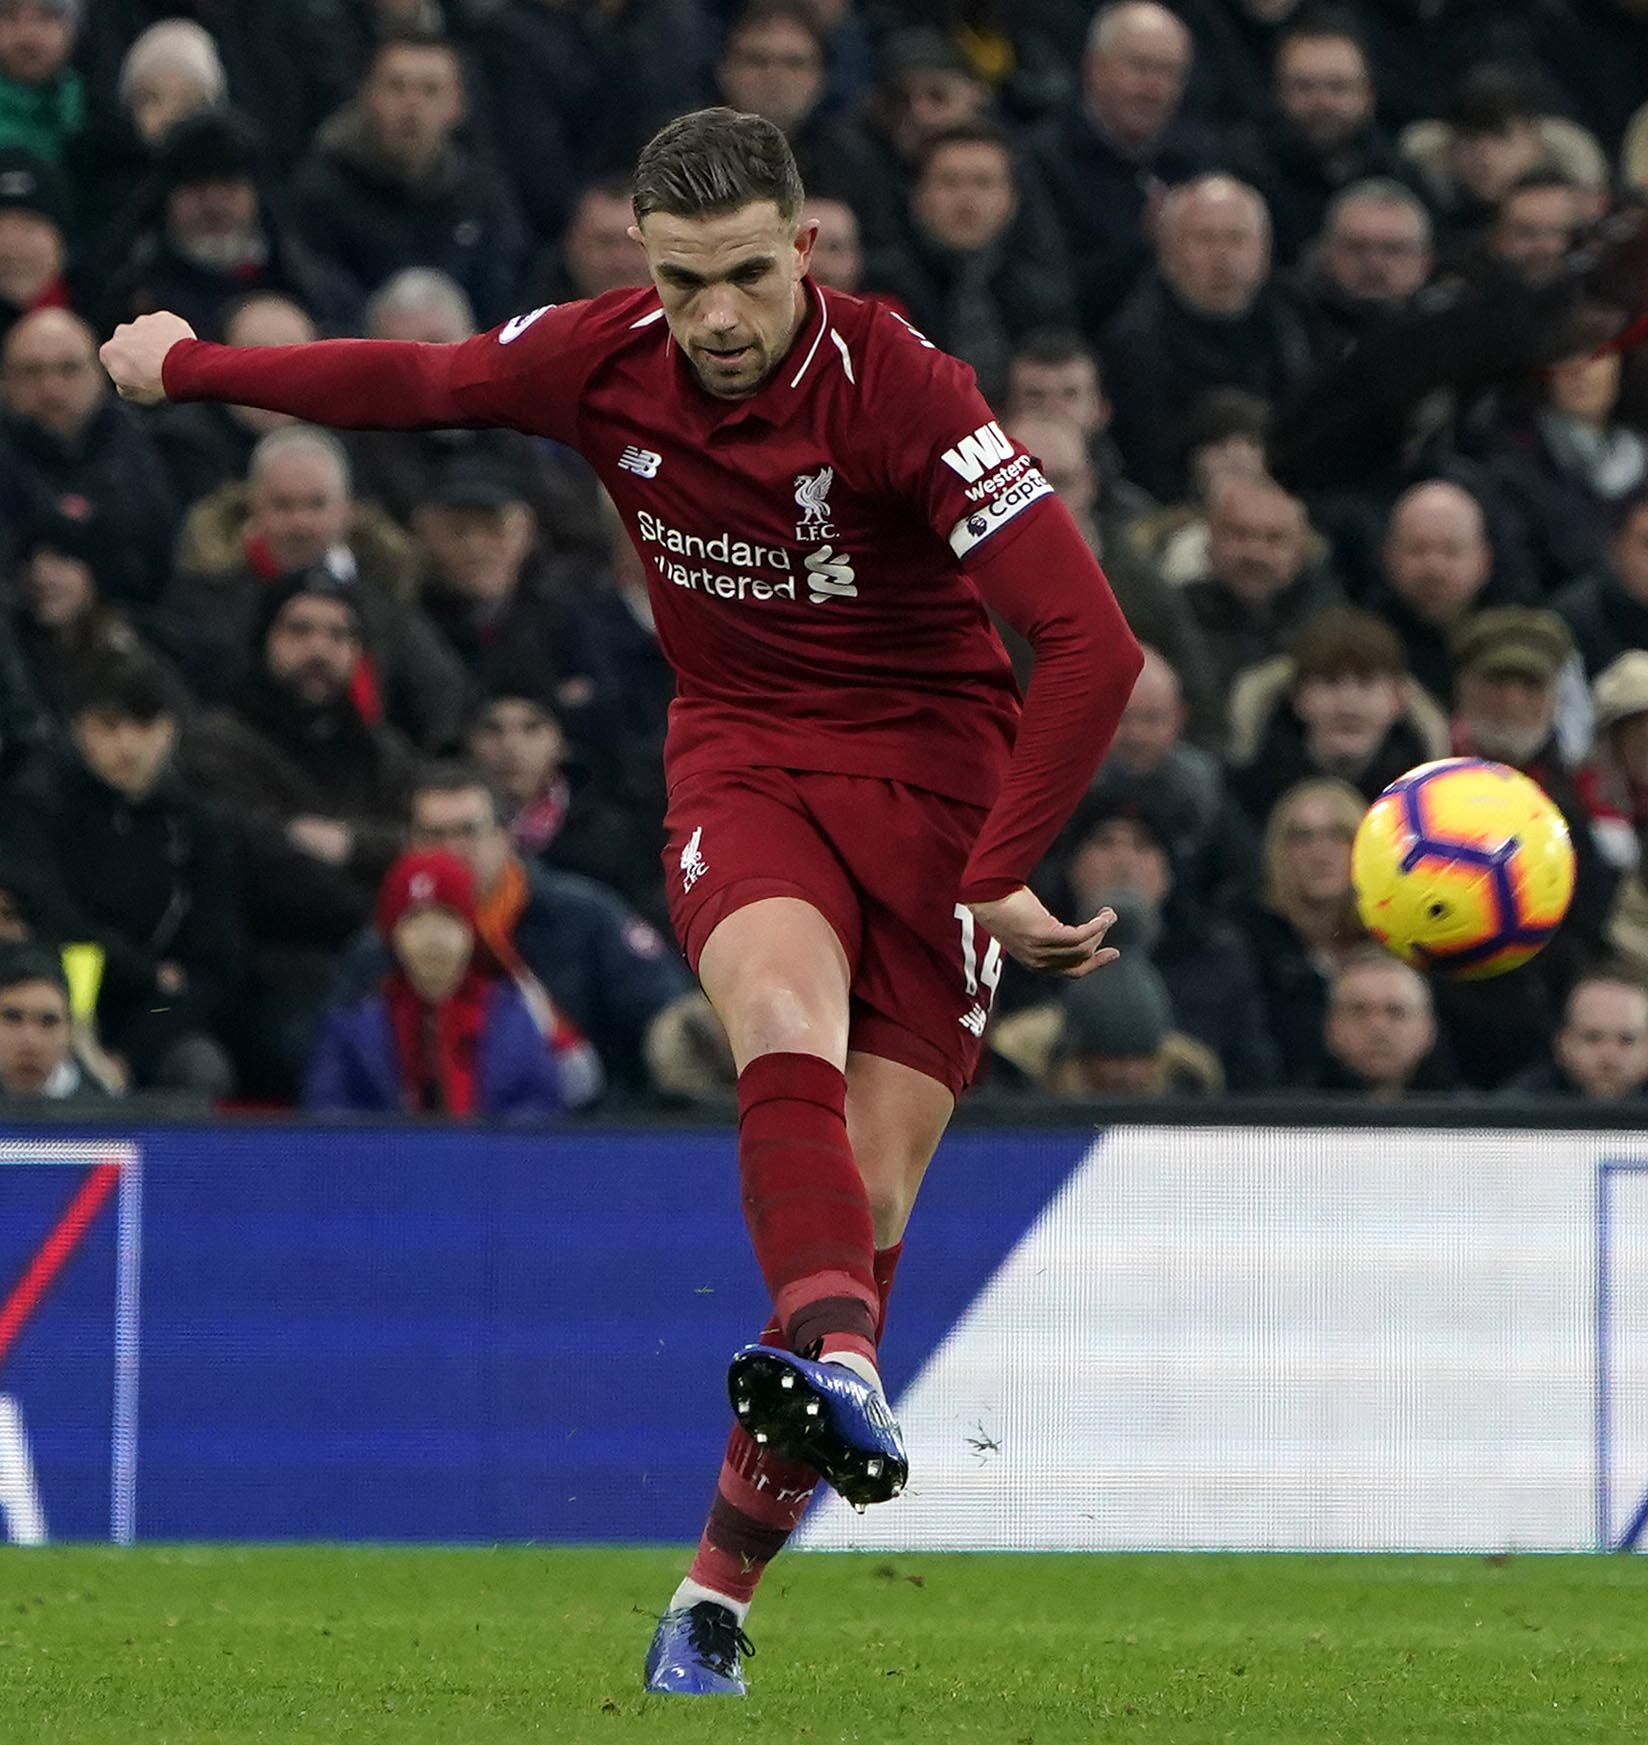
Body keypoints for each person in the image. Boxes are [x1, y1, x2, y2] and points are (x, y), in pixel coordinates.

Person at [101, 105, 1141, 1692]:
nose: (713, 316)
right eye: (679, 280)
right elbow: (413, 381)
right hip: (745, 757)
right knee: (777, 1015)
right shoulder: (605, 359)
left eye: (745, 275)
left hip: (937, 787)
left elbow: (1093, 646)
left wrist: (998, 863)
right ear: (642, 268)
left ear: (805, 249)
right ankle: (843, 1354)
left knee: (869, 1202)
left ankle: (713, 1597)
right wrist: (191, 367)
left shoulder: (904, 388)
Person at [177, 570, 417, 1098]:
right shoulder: (220, 743)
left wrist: (346, 843)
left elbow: (419, 845)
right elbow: (259, 863)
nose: (319, 649)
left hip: (388, 957)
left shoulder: (383, 753)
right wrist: (378, 895)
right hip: (271, 965)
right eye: (299, 630)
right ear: (265, 640)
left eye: (338, 635)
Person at [2, 650, 239, 1095]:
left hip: (148, 1014)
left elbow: (213, 967)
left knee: (200, 1065)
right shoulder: (38, 805)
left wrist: (130, 1055)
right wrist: (146, 972)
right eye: (109, 726)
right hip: (46, 1004)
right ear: (80, 729)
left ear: (169, 731)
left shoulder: (192, 826)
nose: (128, 746)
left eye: (144, 726)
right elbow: (47, 916)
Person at [157, 422, 468, 750]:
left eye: (316, 505)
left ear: (347, 510)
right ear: (253, 506)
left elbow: (441, 694)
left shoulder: (383, 591)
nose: (300, 523)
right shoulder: (207, 595)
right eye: (283, 505)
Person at [290, 26, 527, 327]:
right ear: (368, 94)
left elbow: (503, 287)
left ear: (458, 105)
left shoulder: (482, 194)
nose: (412, 104)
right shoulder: (321, 189)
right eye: (397, 87)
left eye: (430, 90)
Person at [1101, 175, 1319, 500]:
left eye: (1236, 238)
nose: (1222, 255)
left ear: (1264, 250)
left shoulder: (1298, 320)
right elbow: (1144, 453)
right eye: (1204, 239)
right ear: (1168, 251)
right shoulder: (1134, 340)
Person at [303, 847, 564, 1118]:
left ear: (470, 931)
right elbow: (327, 1112)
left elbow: (540, 1111)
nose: (433, 937)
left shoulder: (514, 1017)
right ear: (392, 935)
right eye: (416, 920)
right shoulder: (353, 1026)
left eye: (447, 918)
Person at [1032, 0, 1213, 335]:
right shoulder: (1043, 160)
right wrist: (1144, 243)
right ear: (1093, 68)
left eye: (1169, 72)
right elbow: (1052, 290)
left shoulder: (1197, 159)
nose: (1154, 88)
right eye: (1140, 67)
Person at [98, 108, 359, 340]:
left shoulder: (314, 287)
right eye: (196, 186)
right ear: (167, 199)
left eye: (229, 185)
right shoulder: (134, 301)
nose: (213, 204)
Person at [0, 306, 177, 608]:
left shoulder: (143, 450)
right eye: (31, 372)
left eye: (69, 369)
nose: (51, 389)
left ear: (99, 374)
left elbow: (157, 559)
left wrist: (96, 586)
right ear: (5, 381)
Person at [1226, 606, 1448, 825]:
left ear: (1398, 699)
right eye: (1329, 682)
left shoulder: (1434, 804)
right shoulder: (1240, 799)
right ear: (1298, 698)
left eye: (1366, 683)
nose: (1347, 704)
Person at [1231, 776, 1367, 1085]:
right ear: (1277, 851)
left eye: (1339, 835)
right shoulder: (1245, 945)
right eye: (1303, 837)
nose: (1321, 852)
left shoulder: (1392, 942)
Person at [1182, 475, 1341, 715]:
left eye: (1274, 538)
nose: (1255, 553)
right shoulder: (1174, 616)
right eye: (1239, 534)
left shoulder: (1331, 626)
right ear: (1210, 540)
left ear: (1300, 550)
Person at [1315, 947, 1453, 1099]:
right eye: (1358, 1011)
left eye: (1396, 1011)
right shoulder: (1296, 1109)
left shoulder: (1465, 1111)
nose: (1378, 1027)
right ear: (1331, 1026)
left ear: (1429, 1029)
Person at [1501, 969, 1648, 1101]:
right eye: (1592, 1038)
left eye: (1627, 1040)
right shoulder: (1516, 1110)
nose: (1609, 1057)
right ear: (1563, 1044)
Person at [0, 939, 111, 1105]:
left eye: (49, 1022)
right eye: (12, 1018)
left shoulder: (104, 1113)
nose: (31, 1042)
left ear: (70, 1032)